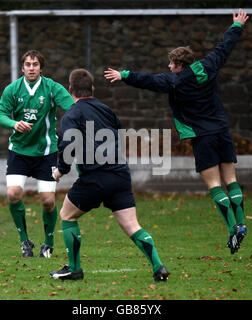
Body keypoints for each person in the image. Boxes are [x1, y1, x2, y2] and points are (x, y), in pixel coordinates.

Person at [104, 9, 249, 254]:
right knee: (231, 180)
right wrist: (236, 26)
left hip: (202, 137)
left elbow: (148, 80)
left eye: (171, 63)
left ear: (180, 65)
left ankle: (232, 229)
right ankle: (242, 223)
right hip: (222, 131)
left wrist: (124, 75)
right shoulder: (208, 66)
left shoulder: (174, 81)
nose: (169, 67)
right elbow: (224, 48)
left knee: (214, 186)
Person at [49, 68, 169, 281]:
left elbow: (67, 144)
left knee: (67, 215)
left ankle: (74, 269)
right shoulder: (106, 110)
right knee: (133, 226)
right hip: (120, 174)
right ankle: (158, 267)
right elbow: (119, 137)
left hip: (95, 176)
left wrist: (60, 171)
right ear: (92, 89)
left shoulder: (72, 115)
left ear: (70, 91)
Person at [0, 50, 74, 258]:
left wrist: (74, 124)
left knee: (48, 201)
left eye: (35, 64)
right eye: (28, 64)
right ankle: (24, 241)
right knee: (13, 194)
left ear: (41, 67)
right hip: (19, 152)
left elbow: (72, 108)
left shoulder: (51, 88)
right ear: (22, 67)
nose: (31, 68)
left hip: (46, 152)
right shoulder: (13, 89)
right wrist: (14, 123)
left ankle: (47, 243)